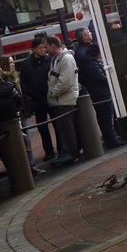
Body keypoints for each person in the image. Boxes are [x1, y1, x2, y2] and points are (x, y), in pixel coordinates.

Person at [0, 54, 44, 175]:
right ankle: (26, 165)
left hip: (22, 111)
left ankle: (30, 163)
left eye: (13, 62)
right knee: (20, 140)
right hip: (14, 114)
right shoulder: (3, 80)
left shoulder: (15, 77)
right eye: (10, 62)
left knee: (26, 139)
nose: (13, 64)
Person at [19, 37, 57, 163]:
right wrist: (31, 96)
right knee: (42, 127)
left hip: (50, 96)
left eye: (44, 47)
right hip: (37, 100)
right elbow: (24, 83)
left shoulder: (49, 60)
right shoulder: (26, 64)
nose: (43, 50)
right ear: (33, 49)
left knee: (57, 124)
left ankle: (61, 148)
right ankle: (49, 151)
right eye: (40, 48)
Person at [45, 35, 80, 167]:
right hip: (59, 100)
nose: (46, 49)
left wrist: (53, 92)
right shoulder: (55, 59)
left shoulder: (66, 59)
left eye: (47, 46)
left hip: (64, 99)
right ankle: (67, 152)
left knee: (67, 127)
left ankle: (72, 153)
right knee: (62, 128)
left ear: (53, 45)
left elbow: (65, 81)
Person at [81, 43, 123, 149]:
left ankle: (109, 138)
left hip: (99, 94)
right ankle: (111, 140)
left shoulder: (90, 62)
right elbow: (101, 78)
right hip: (102, 94)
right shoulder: (92, 63)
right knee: (106, 118)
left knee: (104, 118)